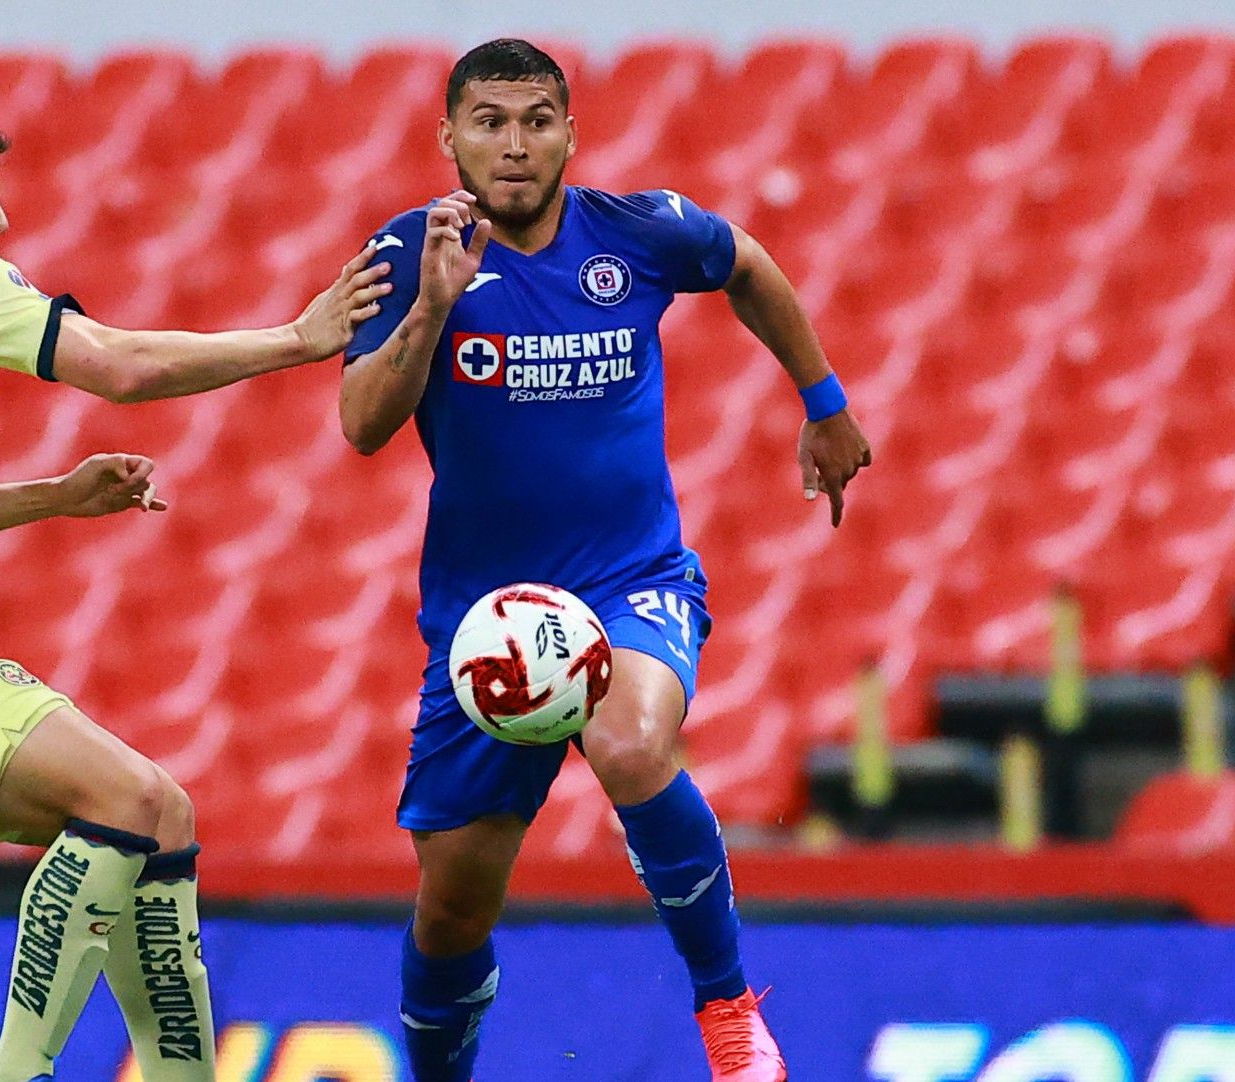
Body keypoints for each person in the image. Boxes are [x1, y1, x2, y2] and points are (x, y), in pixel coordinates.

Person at [0, 94, 390, 1081]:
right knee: (123, 796)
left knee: (163, 813)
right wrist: (296, 340)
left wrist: (54, 494)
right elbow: (121, 366)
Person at [339, 39, 871, 1082]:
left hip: (633, 582)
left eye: (537, 119)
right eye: (488, 121)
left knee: (630, 745)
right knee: (450, 908)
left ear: (571, 135)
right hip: (481, 630)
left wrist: (824, 403)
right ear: (447, 136)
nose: (514, 143)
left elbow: (749, 264)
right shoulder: (405, 255)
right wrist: (435, 304)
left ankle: (727, 1009)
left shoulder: (639, 233)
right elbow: (361, 423)